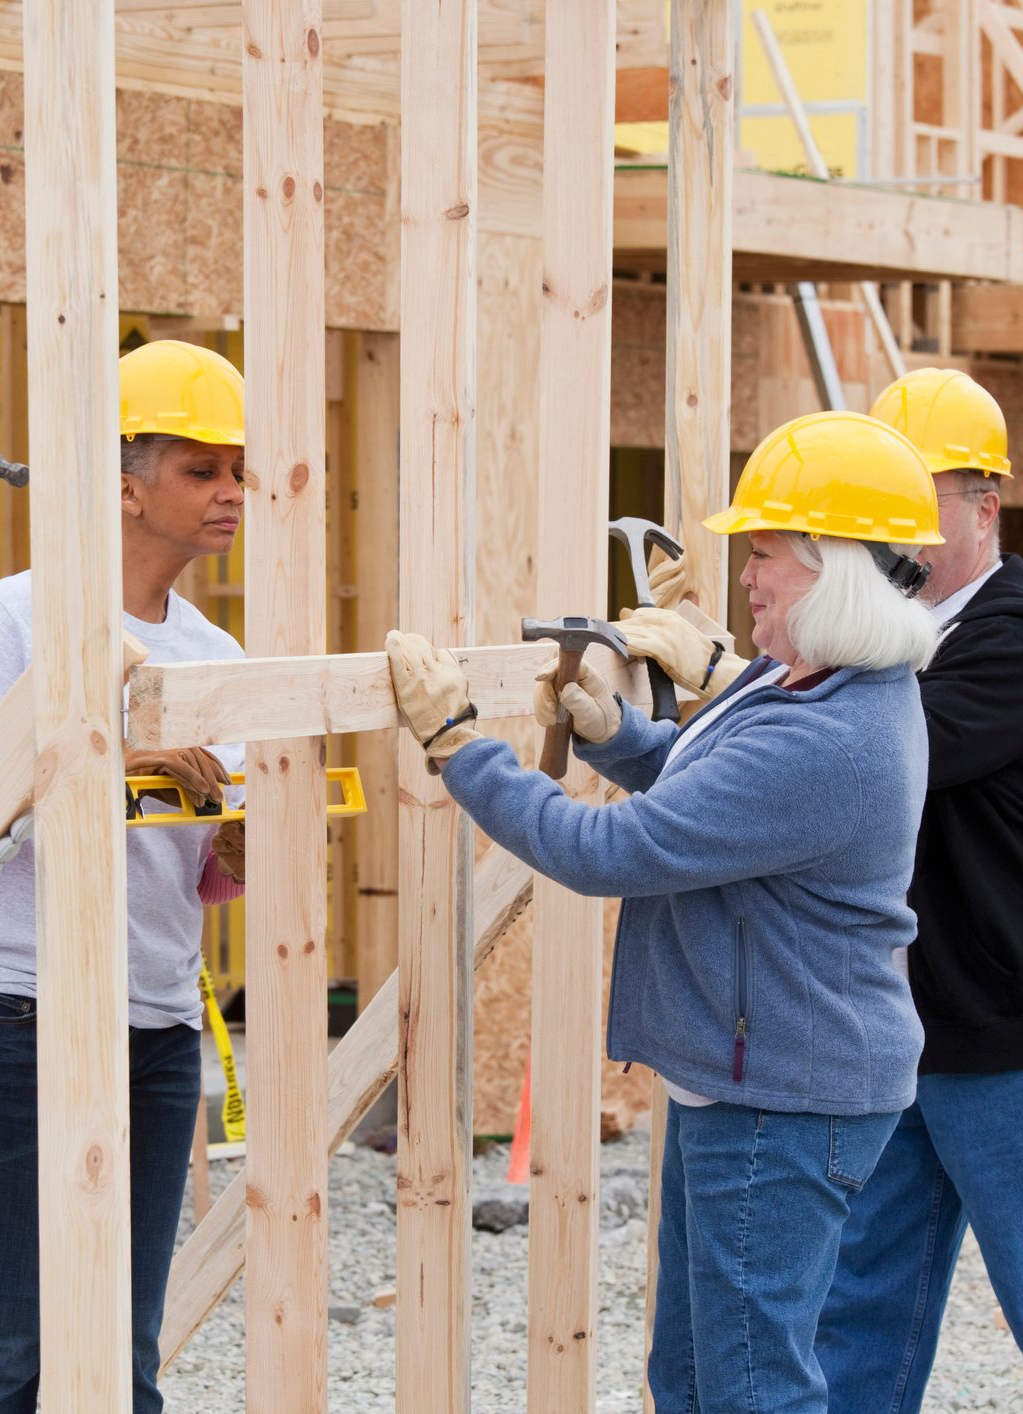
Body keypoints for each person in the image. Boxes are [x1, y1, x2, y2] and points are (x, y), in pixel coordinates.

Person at [385, 410, 941, 1412]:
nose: (749, 577)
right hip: (766, 1078)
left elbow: (612, 852)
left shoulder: (827, 737)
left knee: (750, 1387)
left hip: (779, 1093)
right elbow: (719, 796)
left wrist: (462, 750)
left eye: (766, 553)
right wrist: (621, 739)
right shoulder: (828, 690)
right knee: (693, 1376)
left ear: (833, 568)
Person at [0, 340, 249, 1412]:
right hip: (8, 1017)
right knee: (1, 1357)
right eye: (202, 470)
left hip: (151, 1029)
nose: (232, 491)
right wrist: (114, 756)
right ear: (128, 489)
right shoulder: (17, 618)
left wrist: (244, 837)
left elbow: (201, 879)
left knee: (116, 1359)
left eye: (238, 468)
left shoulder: (217, 657)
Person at [810, 368, 1023, 1412]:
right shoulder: (900, 643)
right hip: (912, 1034)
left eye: (919, 503)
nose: (891, 531)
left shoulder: (1013, 646)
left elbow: (877, 761)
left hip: (1021, 1035)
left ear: (984, 508)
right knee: (860, 1312)